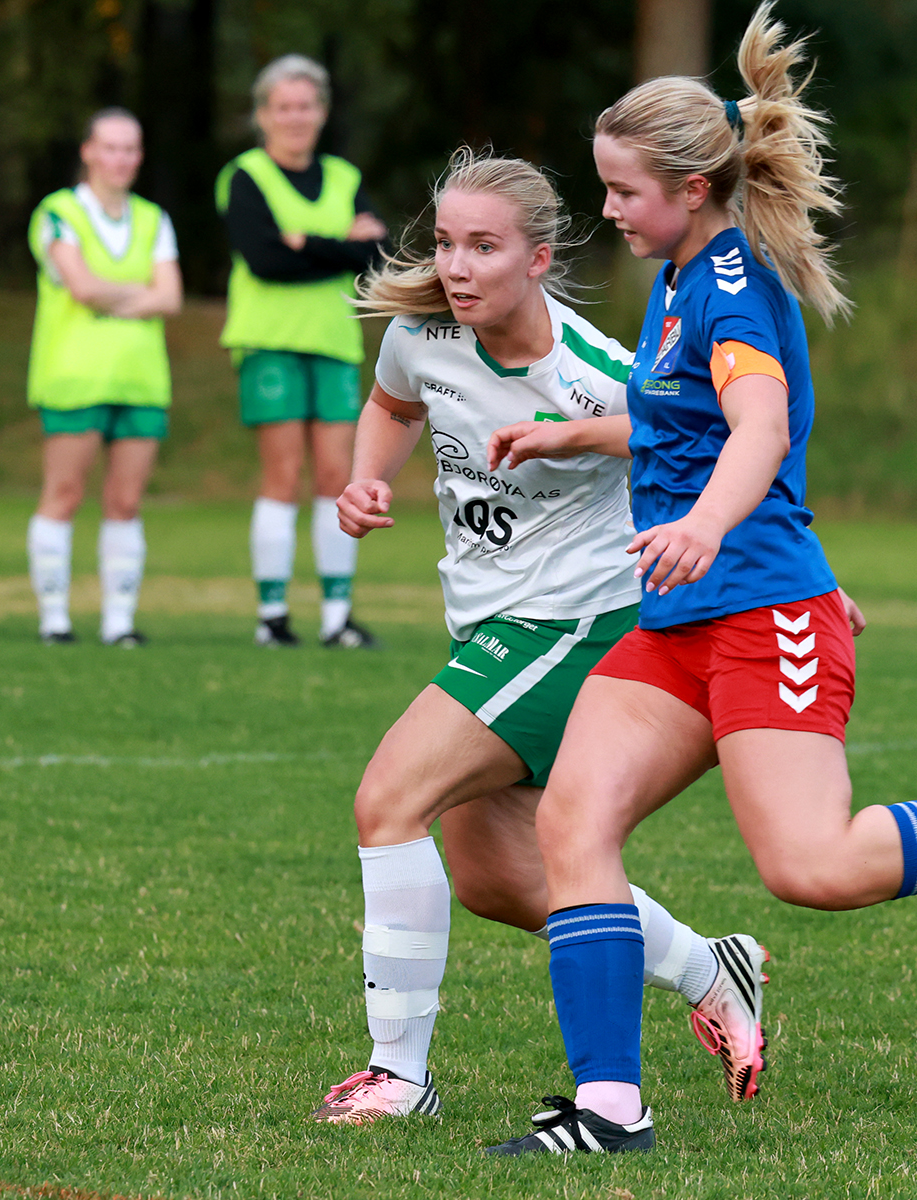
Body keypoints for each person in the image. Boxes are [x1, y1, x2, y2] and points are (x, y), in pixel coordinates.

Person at [485, 2, 917, 1157]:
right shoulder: (675, 273)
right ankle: (609, 1109)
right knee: (574, 818)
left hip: (766, 617)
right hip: (680, 621)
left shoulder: (729, 284)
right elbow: (685, 423)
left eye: (624, 191)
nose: (608, 209)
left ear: (694, 189)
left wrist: (711, 528)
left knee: (813, 869)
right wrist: (577, 436)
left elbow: (759, 428)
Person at [315, 149, 783, 1124]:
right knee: (498, 880)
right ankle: (710, 967)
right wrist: (368, 479)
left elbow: (704, 446)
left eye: (484, 246)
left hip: (583, 629)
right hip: (490, 629)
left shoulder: (599, 373)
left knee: (387, 796)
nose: (457, 266)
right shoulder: (420, 337)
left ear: (540, 257)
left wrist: (809, 588)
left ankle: (399, 1076)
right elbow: (393, 404)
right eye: (445, 243)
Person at [216, 54, 386, 648]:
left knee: (338, 477)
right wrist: (338, 245)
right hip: (271, 344)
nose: (295, 117)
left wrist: (308, 243)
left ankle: (337, 617)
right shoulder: (245, 176)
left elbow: (375, 255)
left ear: (322, 111)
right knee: (282, 475)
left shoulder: (342, 175)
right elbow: (265, 260)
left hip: (334, 343)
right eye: (283, 106)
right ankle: (273, 616)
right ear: (263, 114)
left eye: (306, 105)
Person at [25, 107, 182, 647]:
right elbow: (81, 287)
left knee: (126, 502)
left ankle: (118, 621)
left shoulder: (152, 218)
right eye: (110, 147)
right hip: (74, 376)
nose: (120, 159)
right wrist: (138, 292)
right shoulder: (58, 212)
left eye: (130, 148)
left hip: (140, 379)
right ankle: (54, 618)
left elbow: (172, 296)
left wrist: (110, 290)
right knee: (63, 493)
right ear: (88, 151)